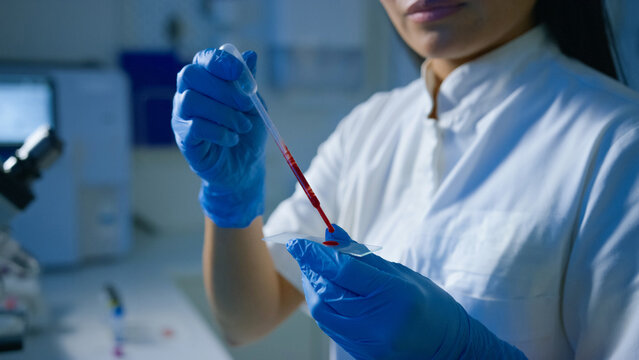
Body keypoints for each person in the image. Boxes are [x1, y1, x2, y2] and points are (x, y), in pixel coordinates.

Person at [171, 0, 639, 358]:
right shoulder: (369, 127)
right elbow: (245, 317)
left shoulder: (619, 144)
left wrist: (463, 352)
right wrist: (230, 200)